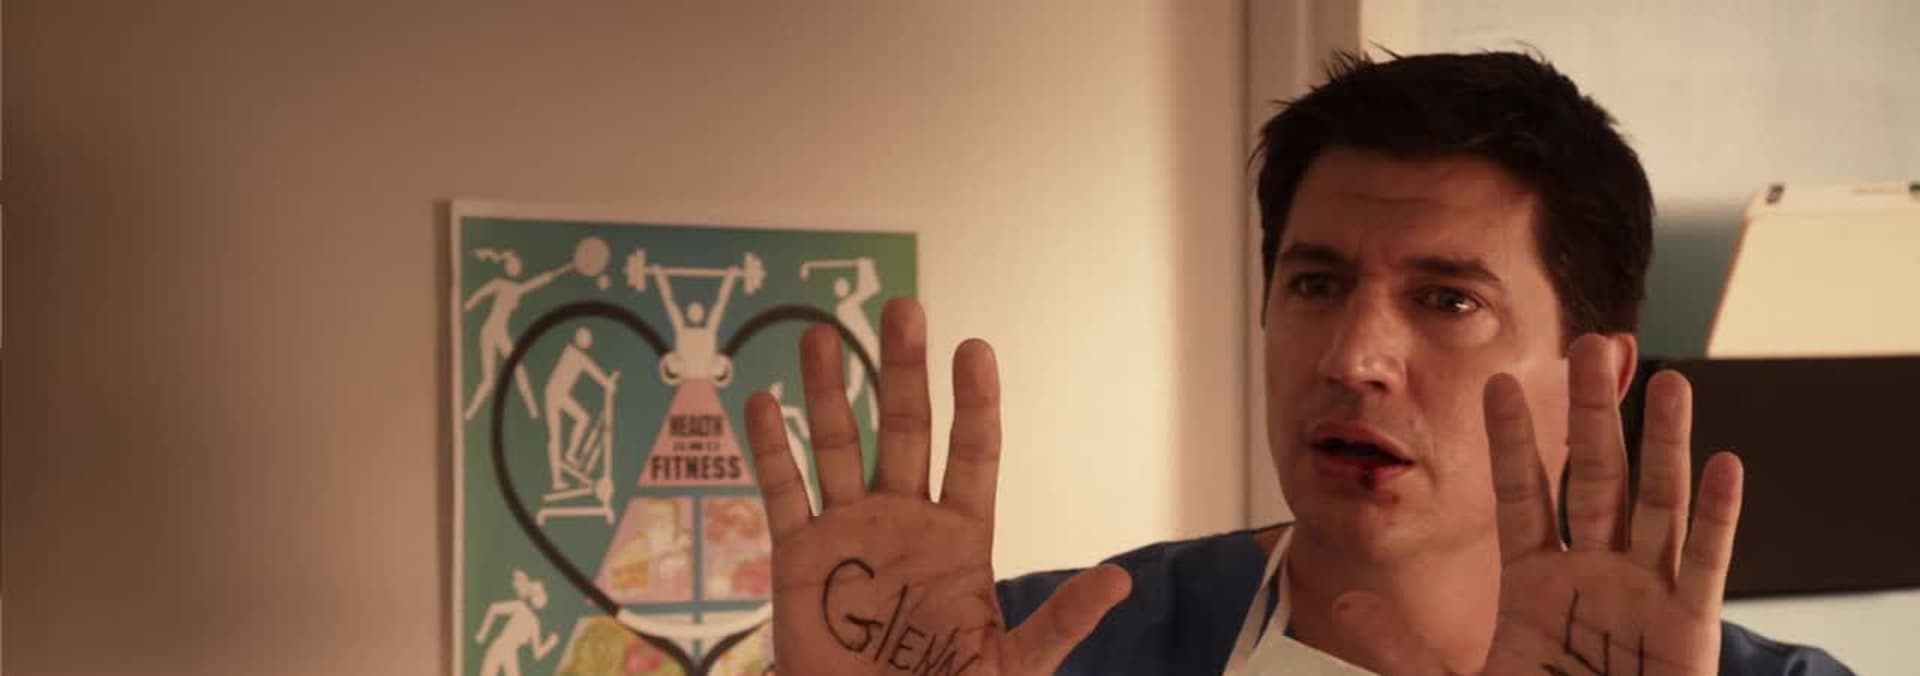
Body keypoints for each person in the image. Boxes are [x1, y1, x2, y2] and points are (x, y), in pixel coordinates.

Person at [739, 51, 1854, 675]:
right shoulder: (1030, 647)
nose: (1355, 356)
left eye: (1449, 300)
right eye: (1316, 284)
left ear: (1593, 377)